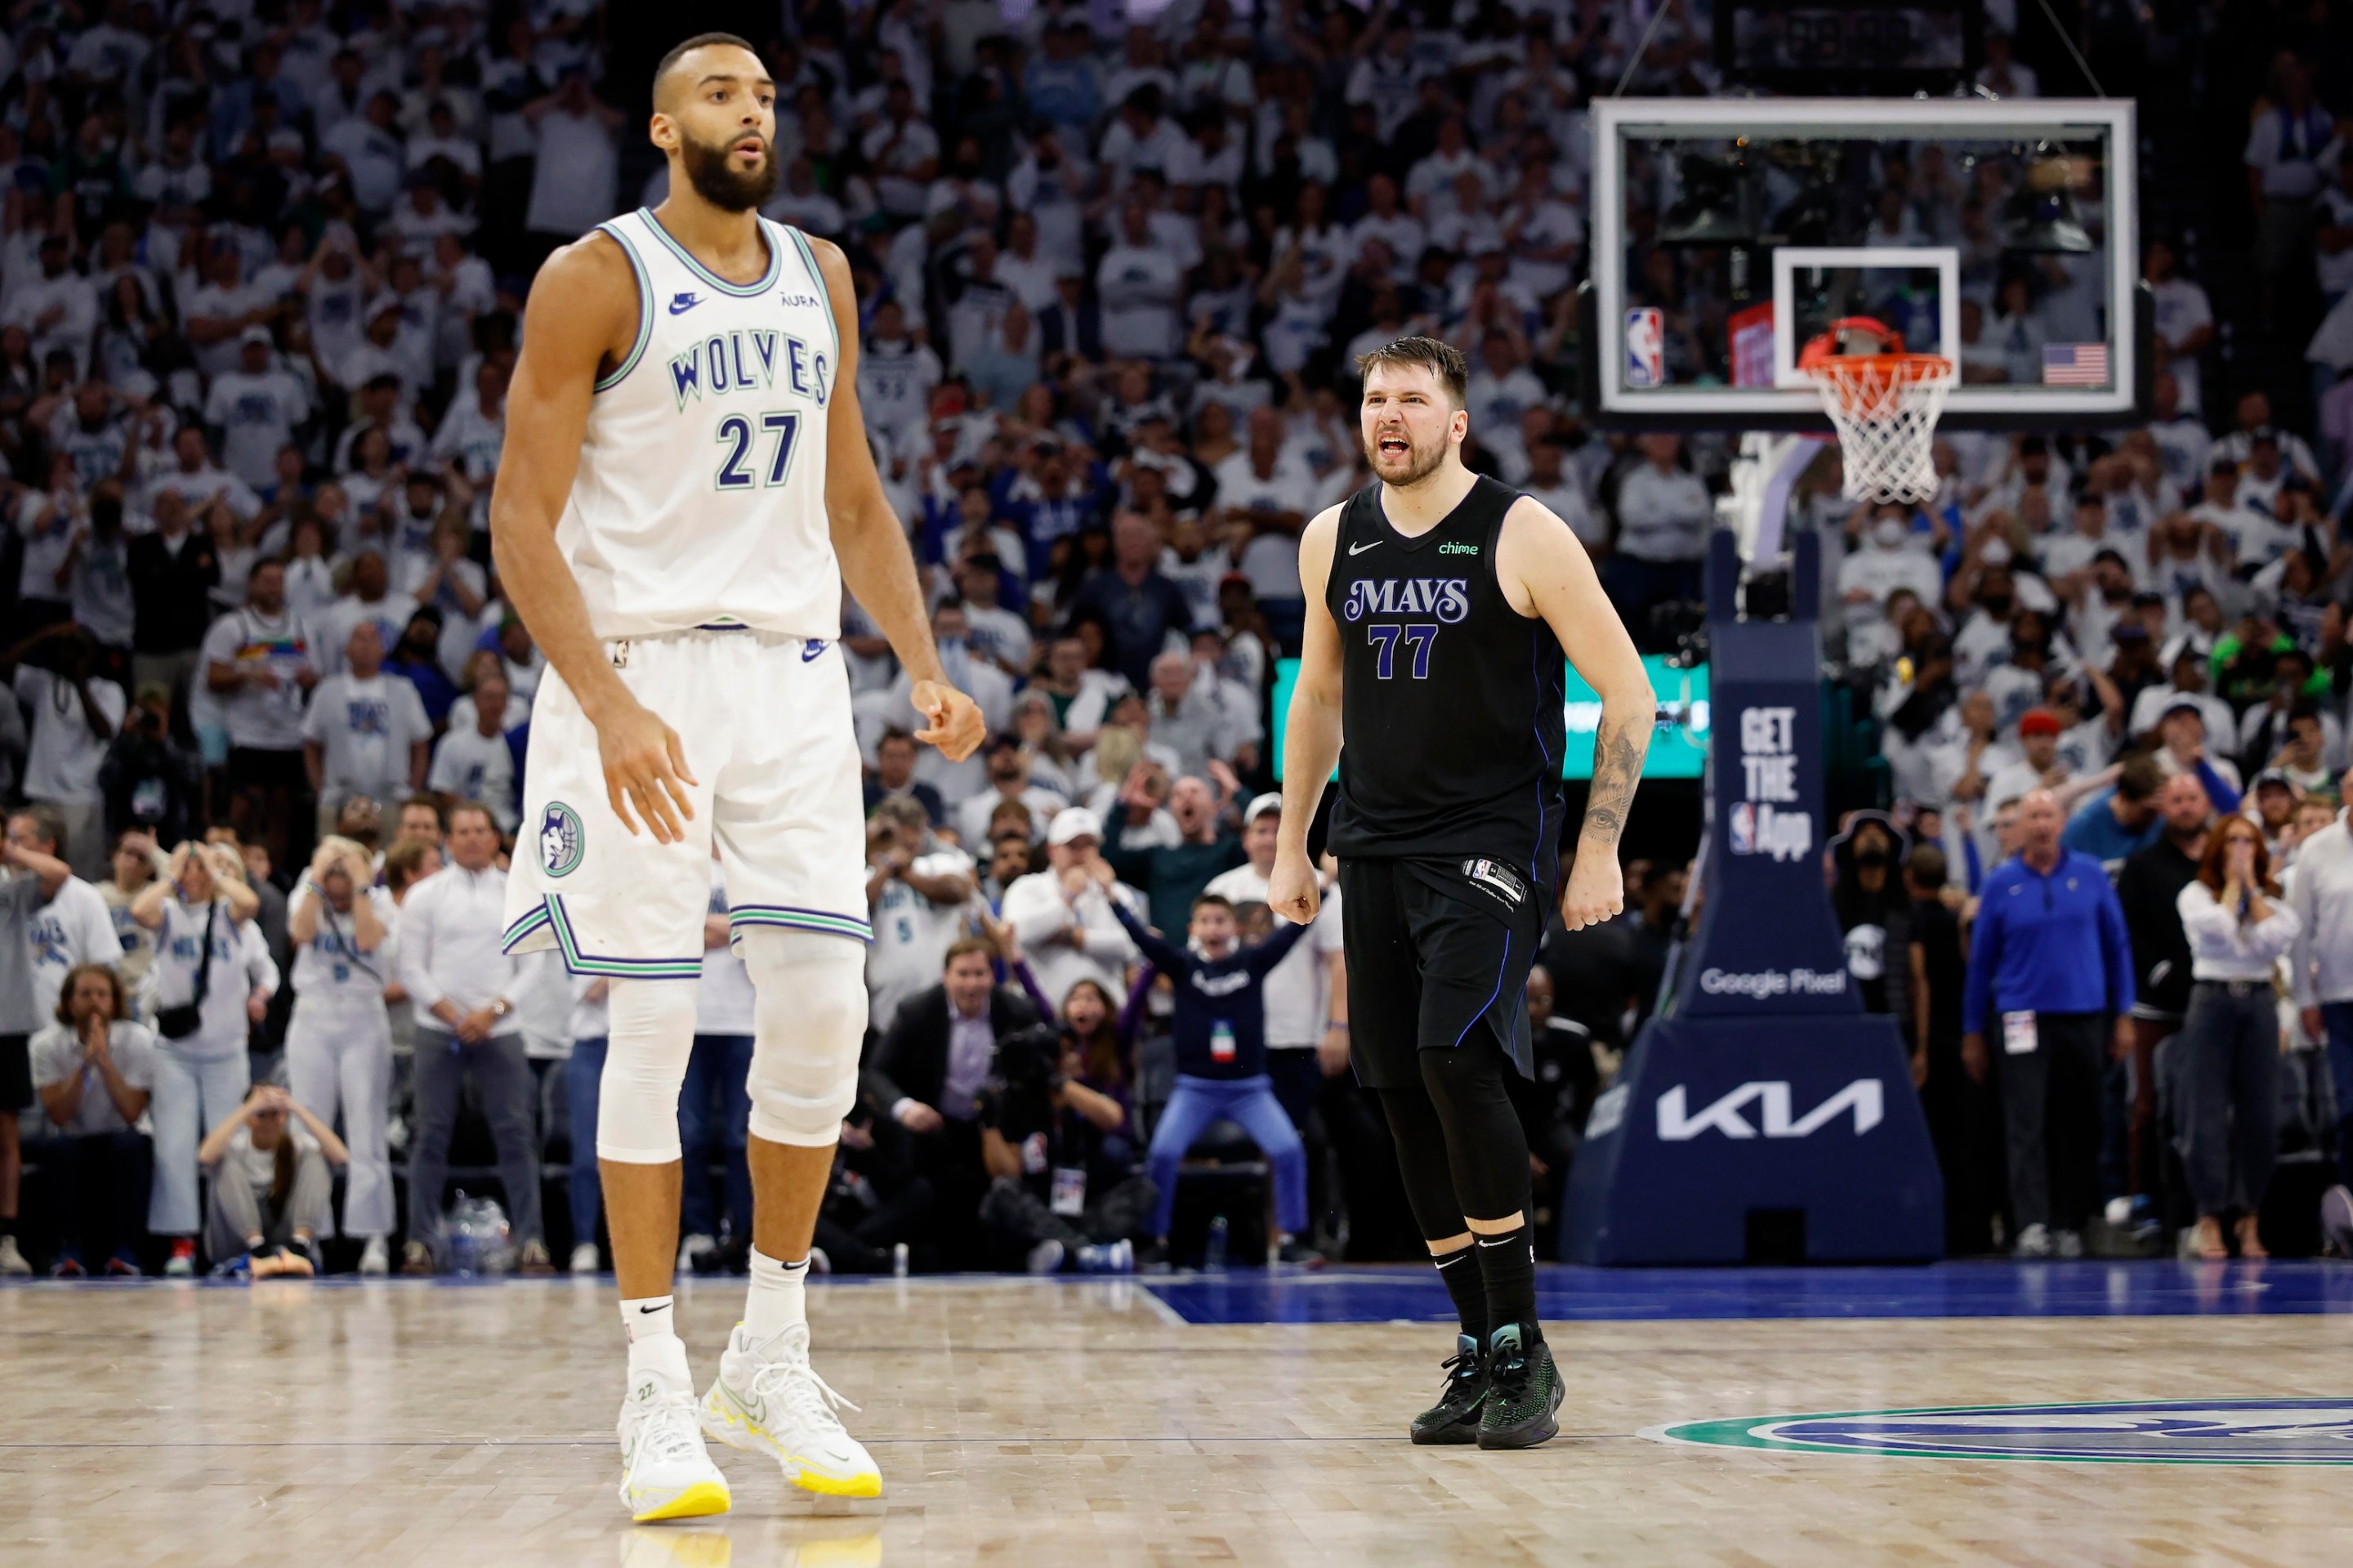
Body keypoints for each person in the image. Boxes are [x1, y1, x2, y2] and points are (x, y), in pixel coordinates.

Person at [486, 34, 984, 1521]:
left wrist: (925, 655)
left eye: (765, 94)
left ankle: (771, 1344)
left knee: (825, 1003)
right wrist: (605, 700)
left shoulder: (822, 273)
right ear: (660, 125)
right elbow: (520, 513)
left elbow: (851, 490)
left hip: (791, 674)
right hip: (635, 667)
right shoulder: (595, 275)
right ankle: (651, 1377)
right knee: (650, 1014)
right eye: (720, 93)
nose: (752, 112)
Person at [1269, 336, 1653, 1450]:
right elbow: (1319, 700)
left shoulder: (1522, 529)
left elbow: (1628, 696)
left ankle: (1525, 1343)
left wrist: (1598, 848)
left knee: (1455, 1057)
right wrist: (1294, 842)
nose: (1390, 414)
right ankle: (1484, 1346)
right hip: (1372, 842)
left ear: (1455, 422)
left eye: (1413, 399)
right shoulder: (1330, 537)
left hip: (1490, 841)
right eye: (1375, 399)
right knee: (1395, 1084)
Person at [1962, 791, 2137, 1260]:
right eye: (2032, 817)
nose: (2040, 825)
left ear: (2062, 823)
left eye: (2048, 816)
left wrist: (2123, 1013)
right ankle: (2032, 1223)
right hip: (2021, 1016)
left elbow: (2117, 946)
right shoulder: (2001, 883)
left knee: (2081, 1122)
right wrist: (1972, 1031)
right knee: (2025, 1122)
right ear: (2018, 827)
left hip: (2083, 1014)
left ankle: (2069, 1222)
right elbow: (1980, 962)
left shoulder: (2090, 874)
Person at [393, 803, 551, 1277]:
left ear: (495, 837)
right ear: (447, 839)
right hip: (438, 1029)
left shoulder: (518, 893)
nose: (472, 840)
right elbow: (410, 967)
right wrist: (449, 1011)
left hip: (499, 1027)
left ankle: (531, 1242)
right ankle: (418, 1243)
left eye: (480, 831)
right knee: (429, 1134)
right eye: (462, 832)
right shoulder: (425, 895)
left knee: (516, 1134)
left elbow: (534, 964)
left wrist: (493, 1011)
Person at [130, 840, 275, 1277]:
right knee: (174, 1147)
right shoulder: (169, 916)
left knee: (226, 1147)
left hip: (226, 1052)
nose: (196, 873)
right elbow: (140, 910)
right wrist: (172, 875)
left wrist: (216, 873)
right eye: (189, 867)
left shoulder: (234, 918)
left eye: (201, 868)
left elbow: (249, 901)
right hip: (175, 1053)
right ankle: (181, 1242)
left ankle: (228, 1239)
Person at [2174, 818, 2301, 1259]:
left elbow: (2279, 938)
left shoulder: (2274, 898)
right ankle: (2209, 1218)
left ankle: (2250, 1219)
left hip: (2259, 1002)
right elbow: (2218, 931)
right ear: (2217, 848)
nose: (2242, 849)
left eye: (2249, 841)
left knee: (2260, 1113)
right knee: (2203, 1112)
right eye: (2233, 841)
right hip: (2212, 1000)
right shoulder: (2194, 895)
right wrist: (2232, 887)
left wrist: (2252, 889)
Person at [1202, 793, 1349, 1132]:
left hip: (1295, 1036)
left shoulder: (1317, 886)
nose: (1269, 837)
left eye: (1278, 829)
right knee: (1238, 1141)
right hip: (1233, 1034)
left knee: (1292, 1135)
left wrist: (1339, 1027)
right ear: (1246, 838)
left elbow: (1338, 962)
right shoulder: (1222, 888)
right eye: (1262, 829)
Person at [284, 836, 397, 1275]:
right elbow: (301, 932)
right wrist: (316, 877)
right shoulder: (306, 892)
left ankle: (373, 1239)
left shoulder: (380, 900)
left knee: (367, 1128)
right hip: (313, 1018)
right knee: (307, 1128)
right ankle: (309, 1234)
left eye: (344, 864)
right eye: (331, 863)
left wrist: (361, 884)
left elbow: (368, 939)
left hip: (362, 1020)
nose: (337, 871)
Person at [2114, 774, 2212, 1215]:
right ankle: (2143, 1195)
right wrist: (2159, 971)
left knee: (2207, 1103)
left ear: (2206, 802)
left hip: (2213, 999)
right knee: (2146, 1103)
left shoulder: (2220, 863)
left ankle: (2204, 1200)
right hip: (2156, 1003)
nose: (2186, 807)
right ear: (2163, 807)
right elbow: (2127, 931)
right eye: (2177, 799)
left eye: (2192, 798)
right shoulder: (2142, 864)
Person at [27, 963, 156, 1275]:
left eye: (102, 994)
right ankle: (69, 1250)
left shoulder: (137, 1039)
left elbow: (132, 1111)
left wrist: (105, 1063)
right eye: (85, 994)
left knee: (130, 1147)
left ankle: (127, 1251)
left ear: (114, 1001)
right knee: (58, 1150)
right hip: (74, 1136)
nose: (94, 1001)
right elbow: (58, 1113)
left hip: (122, 1132)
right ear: (70, 1002)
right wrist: (85, 1065)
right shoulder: (46, 1045)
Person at [0, 824, 74, 1276]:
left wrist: (10, 852)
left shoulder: (15, 888)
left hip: (6, 1024)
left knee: (6, 1135)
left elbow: (60, 874)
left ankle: (6, 1238)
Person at [2286, 788, 2353, 1253]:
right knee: (2350, 1108)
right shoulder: (2317, 848)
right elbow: (2297, 932)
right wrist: (2305, 998)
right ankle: (2349, 1209)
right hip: (2338, 998)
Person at [998, 807, 1140, 1018]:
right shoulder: (1027, 887)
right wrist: (1067, 897)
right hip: (1044, 1015)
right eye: (1072, 846)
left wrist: (1075, 938)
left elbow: (1130, 947)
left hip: (1106, 1021)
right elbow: (1019, 935)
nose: (1082, 854)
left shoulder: (1116, 892)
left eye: (1089, 845)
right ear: (1052, 850)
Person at [196, 1083, 349, 1276]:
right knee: (223, 1162)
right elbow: (204, 1156)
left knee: (319, 1158)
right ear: (248, 1118)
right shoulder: (236, 1147)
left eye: (275, 1114)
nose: (268, 1121)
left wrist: (295, 1108)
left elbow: (341, 1156)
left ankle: (298, 1249)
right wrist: (249, 1107)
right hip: (238, 1242)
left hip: (284, 1238)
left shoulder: (298, 1146)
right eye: (261, 1114)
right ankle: (258, 1250)